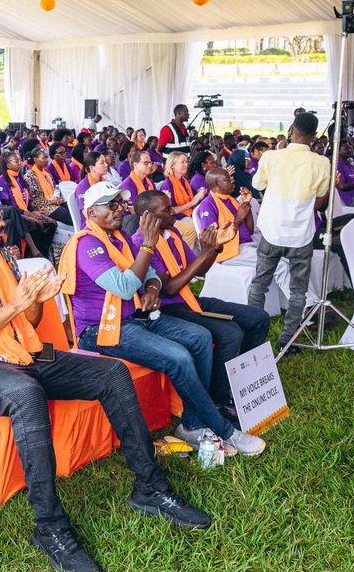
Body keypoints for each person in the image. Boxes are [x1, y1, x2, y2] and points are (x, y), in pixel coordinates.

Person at [0, 189, 209, 572]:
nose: (1, 222)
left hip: (23, 351)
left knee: (112, 373)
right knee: (27, 394)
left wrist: (38, 299)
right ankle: (49, 526)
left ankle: (150, 487)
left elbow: (29, 323)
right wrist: (16, 305)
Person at [61, 182, 264, 454]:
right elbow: (123, 287)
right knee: (178, 357)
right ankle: (225, 430)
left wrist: (152, 290)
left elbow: (151, 277)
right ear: (90, 213)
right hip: (102, 329)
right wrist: (147, 246)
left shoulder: (119, 238)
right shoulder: (87, 244)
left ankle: (191, 425)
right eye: (111, 205)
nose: (119, 209)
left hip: (135, 318)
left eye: (120, 203)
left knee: (200, 337)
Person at [132, 190, 272, 417]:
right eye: (167, 210)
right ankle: (218, 399)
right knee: (229, 333)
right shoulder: (141, 243)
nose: (174, 212)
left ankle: (245, 384)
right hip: (166, 309)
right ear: (148, 217)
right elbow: (169, 288)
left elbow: (200, 270)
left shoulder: (172, 234)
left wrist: (214, 248)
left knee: (258, 318)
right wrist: (206, 252)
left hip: (188, 300)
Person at [246, 112, 331, 350]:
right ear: (314, 135)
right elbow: (321, 193)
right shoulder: (321, 162)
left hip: (272, 230)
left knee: (260, 284)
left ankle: (253, 337)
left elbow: (257, 184)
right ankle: (288, 340)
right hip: (301, 234)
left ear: (292, 129)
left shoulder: (271, 156)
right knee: (298, 290)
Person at [157, 151, 206, 248]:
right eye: (182, 162)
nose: (186, 165)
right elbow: (171, 211)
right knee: (195, 227)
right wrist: (193, 202)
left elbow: (194, 199)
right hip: (177, 218)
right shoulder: (167, 184)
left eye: (186, 162)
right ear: (172, 165)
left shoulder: (184, 181)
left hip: (189, 213)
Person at [22, 145, 73, 227]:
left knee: (72, 207)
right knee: (68, 215)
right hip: (42, 206)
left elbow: (54, 189)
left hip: (52, 202)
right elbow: (35, 201)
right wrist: (52, 201)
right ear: (35, 159)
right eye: (44, 158)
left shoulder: (46, 173)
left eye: (47, 157)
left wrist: (57, 199)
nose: (47, 160)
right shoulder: (29, 176)